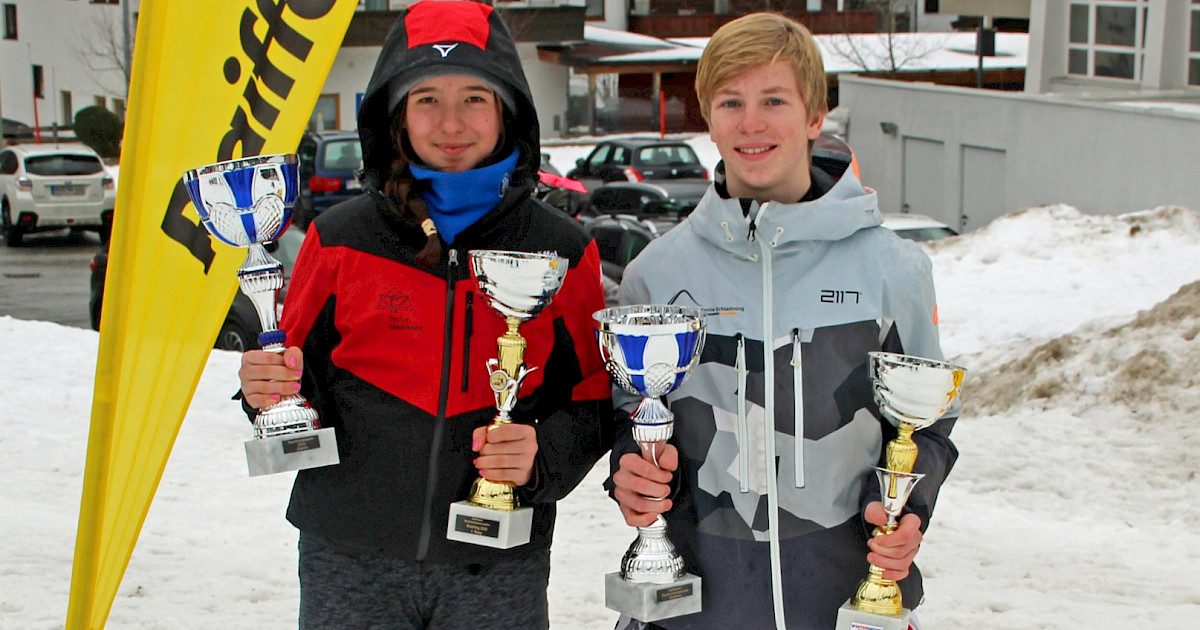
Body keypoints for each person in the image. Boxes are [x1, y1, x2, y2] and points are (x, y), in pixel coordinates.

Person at [236, 2, 612, 628]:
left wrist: (540, 454)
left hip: (495, 566)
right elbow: (294, 386)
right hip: (349, 559)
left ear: (507, 111)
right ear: (396, 117)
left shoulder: (563, 250)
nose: (451, 123)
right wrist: (266, 392)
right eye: (426, 99)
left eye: (474, 98)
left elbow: (595, 399)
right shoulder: (339, 238)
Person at [607, 13, 958, 630]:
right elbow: (631, 419)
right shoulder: (656, 275)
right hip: (693, 607)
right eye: (731, 102)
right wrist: (628, 474)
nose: (752, 123)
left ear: (815, 116)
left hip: (840, 598)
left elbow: (928, 429)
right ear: (708, 118)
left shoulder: (891, 269)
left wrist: (907, 510)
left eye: (774, 100)